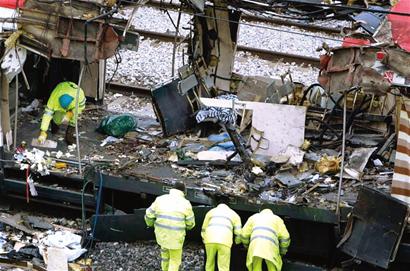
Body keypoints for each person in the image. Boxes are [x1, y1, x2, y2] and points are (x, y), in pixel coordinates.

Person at [144, 182, 195, 271]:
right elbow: (191, 223)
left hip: (161, 236)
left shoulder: (160, 199)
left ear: (172, 189)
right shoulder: (186, 203)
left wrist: (150, 224)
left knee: (165, 257)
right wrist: (186, 228)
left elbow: (148, 215)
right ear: (184, 192)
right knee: (174, 261)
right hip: (176, 238)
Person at [201, 202, 242, 271]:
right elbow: (238, 232)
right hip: (225, 241)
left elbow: (203, 228)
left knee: (209, 263)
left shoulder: (211, 212)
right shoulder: (234, 214)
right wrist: (237, 242)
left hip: (209, 240)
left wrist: (204, 239)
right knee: (223, 266)